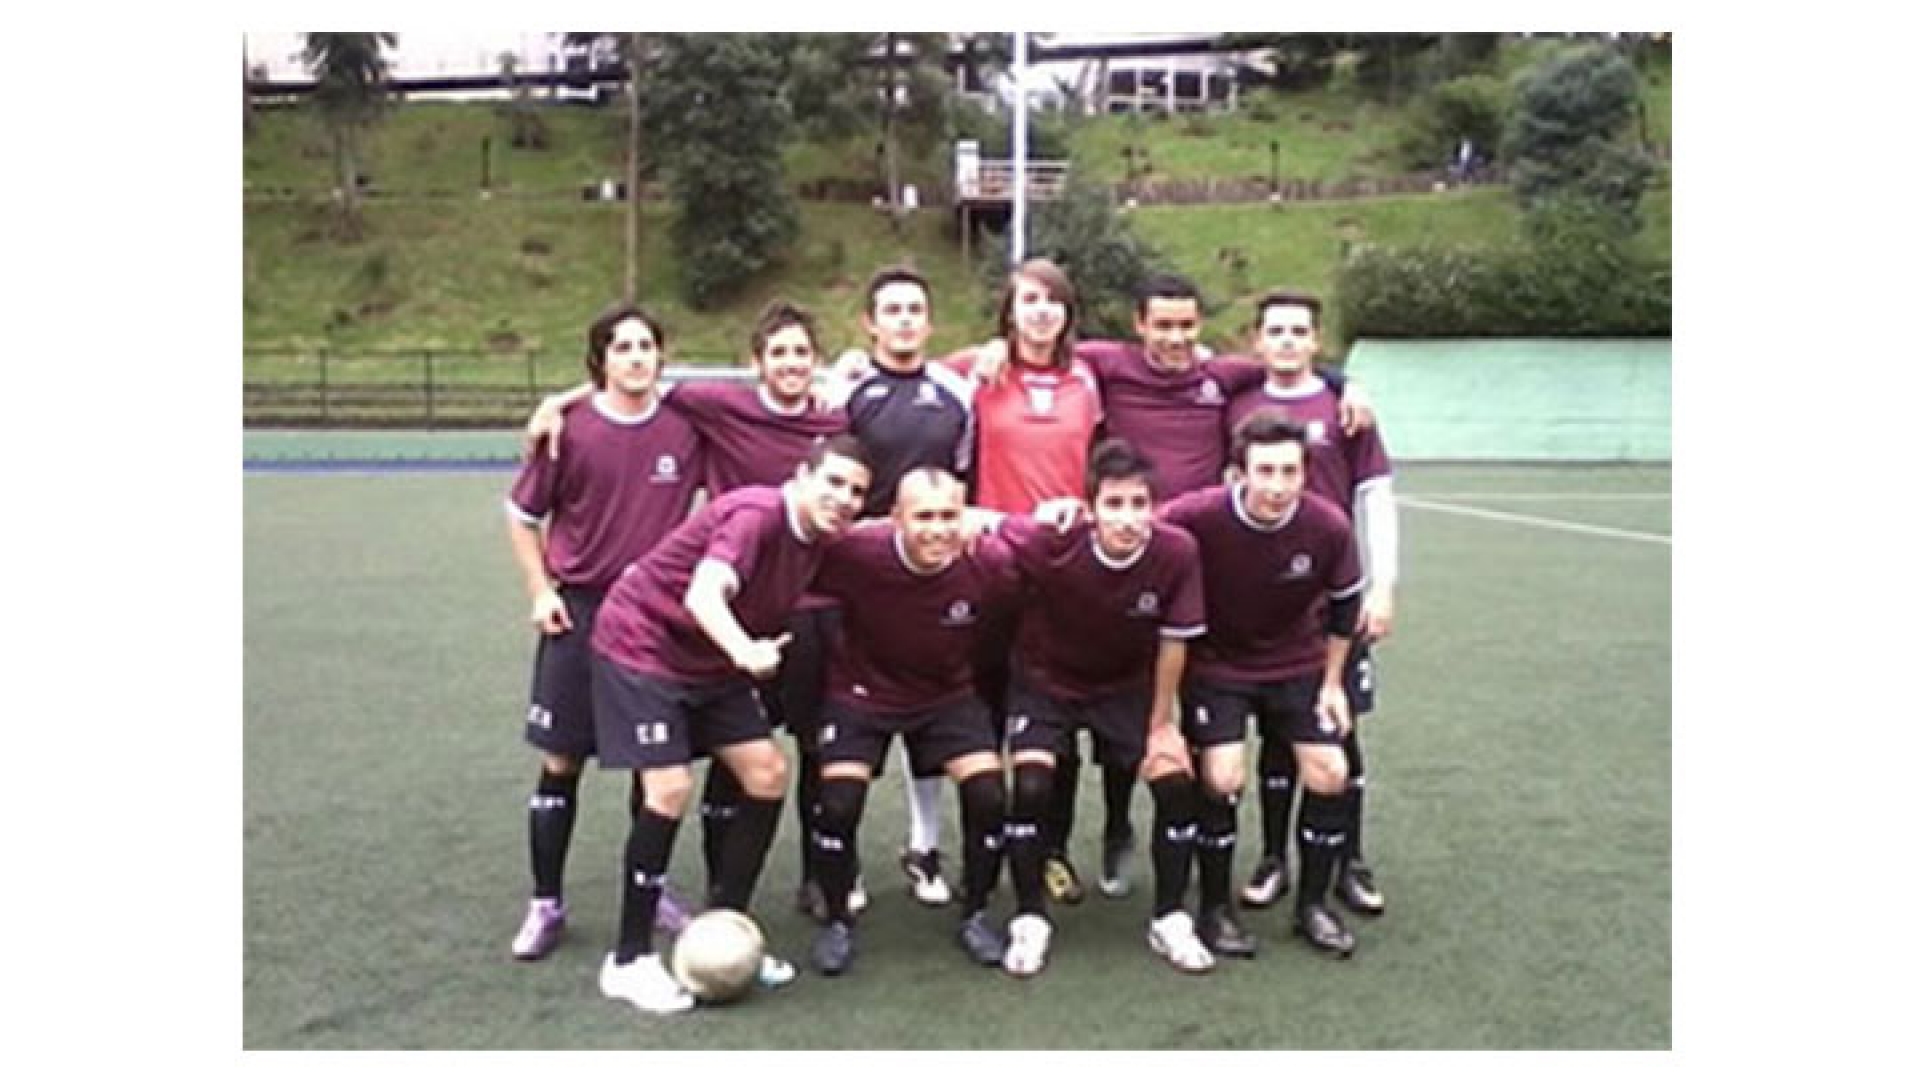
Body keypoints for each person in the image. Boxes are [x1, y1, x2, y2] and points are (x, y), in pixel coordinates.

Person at [522, 301, 868, 923]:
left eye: (801, 352)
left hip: (759, 612)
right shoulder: (715, 408)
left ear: (815, 361)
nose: (790, 363)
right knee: (575, 759)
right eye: (778, 352)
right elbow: (635, 385)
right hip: (647, 609)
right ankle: (551, 903)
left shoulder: (832, 420)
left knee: (762, 759)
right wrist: (562, 402)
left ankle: (746, 896)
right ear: (755, 363)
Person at [588, 435, 872, 1014]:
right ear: (801, 476)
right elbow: (704, 594)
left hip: (709, 661)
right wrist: (745, 650)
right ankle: (629, 959)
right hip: (643, 645)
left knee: (767, 773)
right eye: (834, 482)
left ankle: (725, 930)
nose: (843, 498)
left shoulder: (822, 536)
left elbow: (900, 528)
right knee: (669, 788)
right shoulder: (756, 515)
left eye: (856, 491)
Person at [502, 303, 704, 962]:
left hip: (652, 614)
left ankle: (652, 891)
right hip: (581, 610)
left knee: (654, 764)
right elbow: (521, 516)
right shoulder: (570, 430)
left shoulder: (686, 426)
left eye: (647, 346)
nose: (637, 357)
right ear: (601, 360)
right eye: (623, 347)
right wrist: (541, 591)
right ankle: (546, 903)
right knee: (562, 760)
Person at [992, 439, 1214, 976]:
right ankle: (1029, 919)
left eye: (1139, 504)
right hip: (1045, 682)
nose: (1127, 518)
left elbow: (1174, 643)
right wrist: (1038, 514)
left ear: (1155, 508)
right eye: (1114, 504)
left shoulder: (1177, 552)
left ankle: (1169, 919)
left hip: (1124, 686)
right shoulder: (1053, 541)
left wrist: (1161, 726)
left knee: (1175, 784)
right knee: (1031, 787)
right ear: (1090, 509)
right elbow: (984, 522)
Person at [1160, 414, 1367, 957]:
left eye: (1289, 472)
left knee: (1330, 771)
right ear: (1239, 472)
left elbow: (1345, 609)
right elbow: (1139, 530)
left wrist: (1333, 685)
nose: (1277, 485)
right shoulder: (1197, 515)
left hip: (1297, 662)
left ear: (1305, 473)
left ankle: (1312, 906)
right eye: (1265, 471)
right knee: (1223, 775)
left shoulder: (1328, 526)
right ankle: (1214, 910)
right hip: (1218, 667)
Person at [802, 468, 1021, 976]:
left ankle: (976, 912)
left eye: (948, 516)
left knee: (989, 794)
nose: (937, 530)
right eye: (923, 517)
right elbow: (787, 554)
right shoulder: (856, 553)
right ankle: (837, 919)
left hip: (946, 695)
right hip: (860, 693)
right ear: (895, 518)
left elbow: (1016, 604)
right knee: (838, 802)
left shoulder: (987, 562)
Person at [1224, 291, 1398, 920]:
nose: (1288, 341)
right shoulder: (1238, 402)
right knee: (1277, 733)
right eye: (1276, 330)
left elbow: (1375, 496)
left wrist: (1383, 584)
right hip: (1269, 604)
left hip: (1334, 599)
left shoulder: (1345, 406)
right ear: (1257, 340)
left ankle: (1349, 859)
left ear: (1317, 341)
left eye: (1300, 331)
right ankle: (1274, 857)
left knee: (1338, 730)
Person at [826, 267, 978, 909]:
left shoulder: (956, 392)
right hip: (861, 575)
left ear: (931, 321)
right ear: (870, 322)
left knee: (931, 710)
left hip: (935, 575)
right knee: (849, 720)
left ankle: (924, 847)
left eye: (916, 309)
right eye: (892, 310)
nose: (905, 320)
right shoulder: (848, 390)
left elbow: (968, 475)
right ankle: (842, 864)